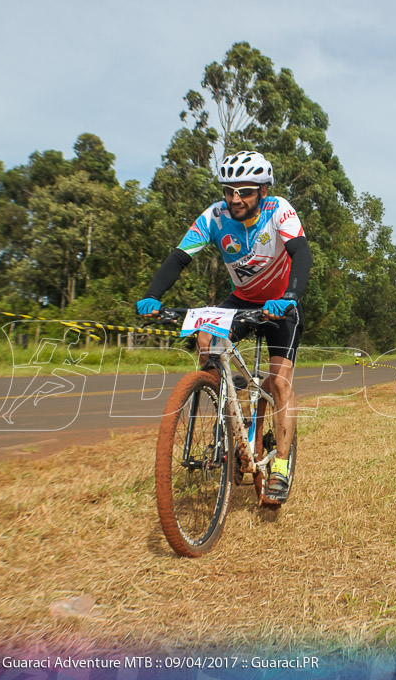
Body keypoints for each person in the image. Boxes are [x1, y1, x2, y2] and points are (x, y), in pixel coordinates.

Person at [136, 151, 311, 504]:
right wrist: (153, 295)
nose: (235, 199)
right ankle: (226, 394)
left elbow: (301, 253)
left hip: (280, 302)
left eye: (245, 191)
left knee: (278, 382)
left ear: (263, 190)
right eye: (229, 190)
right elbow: (179, 258)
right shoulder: (215, 217)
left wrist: (289, 295)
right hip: (243, 298)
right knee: (205, 336)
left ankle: (280, 466)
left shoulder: (279, 210)